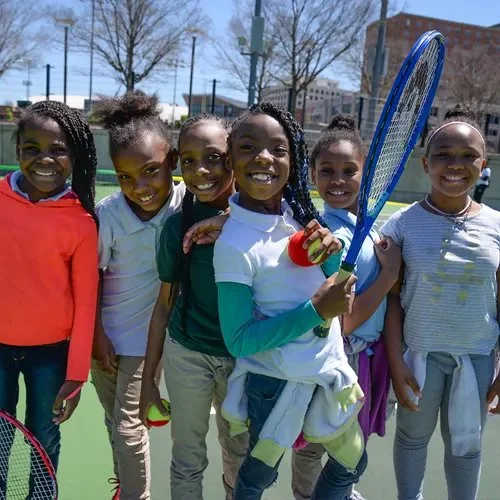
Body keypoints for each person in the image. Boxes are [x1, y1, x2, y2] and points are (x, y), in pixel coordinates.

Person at [210, 101, 366, 500]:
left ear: (292, 160)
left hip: (327, 370)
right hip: (276, 383)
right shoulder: (233, 245)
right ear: (230, 159)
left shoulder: (297, 218)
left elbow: (336, 281)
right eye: (248, 147)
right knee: (257, 479)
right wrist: (314, 310)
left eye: (278, 149)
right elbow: (240, 341)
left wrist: (331, 254)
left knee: (353, 462)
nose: (264, 157)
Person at [381, 104, 500, 500]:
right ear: (425, 162)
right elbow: (393, 300)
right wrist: (396, 362)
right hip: (420, 356)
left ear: (483, 164)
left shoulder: (497, 225)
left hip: (478, 357)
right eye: (444, 155)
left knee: (466, 449)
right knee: (412, 439)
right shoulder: (400, 225)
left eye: (468, 156)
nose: (456, 164)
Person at [291, 114, 401, 500]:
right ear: (313, 175)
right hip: (339, 357)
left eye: (348, 170)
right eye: (327, 170)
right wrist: (388, 277)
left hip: (367, 358)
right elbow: (346, 322)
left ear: (364, 172)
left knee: (352, 441)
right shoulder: (327, 236)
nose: (337, 180)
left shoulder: (365, 227)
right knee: (317, 442)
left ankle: (340, 492)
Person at [139, 113, 248, 500]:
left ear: (234, 156)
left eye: (214, 156)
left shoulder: (265, 218)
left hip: (245, 360)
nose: (200, 169)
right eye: (188, 159)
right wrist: (150, 379)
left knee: (241, 458)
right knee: (187, 461)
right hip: (188, 356)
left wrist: (233, 217)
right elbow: (164, 304)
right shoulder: (176, 227)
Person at [0, 100, 98, 494]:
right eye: (32, 148)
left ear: (74, 156)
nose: (45, 159)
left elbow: (87, 303)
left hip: (51, 357)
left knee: (43, 439)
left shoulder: (81, 221)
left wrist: (76, 374)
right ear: (16, 149)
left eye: (58, 149)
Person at [91, 90, 185, 500]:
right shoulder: (108, 214)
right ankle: (124, 487)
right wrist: (96, 334)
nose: (140, 187)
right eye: (126, 177)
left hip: (148, 343)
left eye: (150, 171)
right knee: (116, 423)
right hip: (107, 339)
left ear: (173, 162)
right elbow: (90, 279)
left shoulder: (188, 203)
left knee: (129, 426)